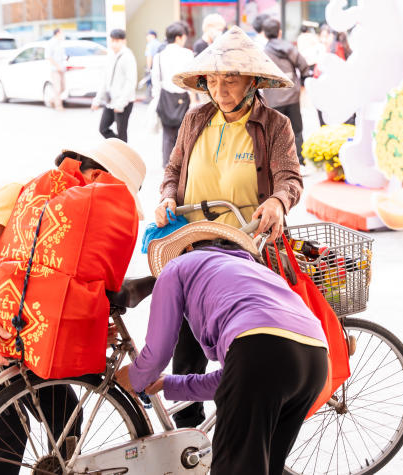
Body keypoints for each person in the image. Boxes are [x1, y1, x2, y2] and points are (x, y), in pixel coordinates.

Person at [0, 138, 146, 473]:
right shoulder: (18, 193)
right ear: (89, 174)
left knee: (66, 421)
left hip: (20, 328)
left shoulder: (76, 218)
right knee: (7, 431)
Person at [153, 26, 304, 429]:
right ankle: (188, 437)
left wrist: (277, 200)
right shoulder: (195, 119)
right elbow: (171, 170)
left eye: (231, 79)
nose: (220, 89)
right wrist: (167, 196)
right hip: (191, 249)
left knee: (240, 348)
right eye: (214, 80)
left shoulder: (274, 126)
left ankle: (240, 425)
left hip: (244, 252)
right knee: (186, 353)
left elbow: (290, 178)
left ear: (253, 81)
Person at [115, 221, 328, 474]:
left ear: (189, 247)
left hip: (259, 348)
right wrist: (167, 384)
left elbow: (159, 351)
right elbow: (239, 381)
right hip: (316, 356)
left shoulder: (178, 267)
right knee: (268, 466)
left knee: (233, 467)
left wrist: (136, 380)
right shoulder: (258, 272)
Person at [262, 18, 310, 171]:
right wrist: (301, 83)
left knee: (275, 133)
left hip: (273, 99)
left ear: (265, 34)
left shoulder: (263, 52)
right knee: (296, 130)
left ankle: (278, 166)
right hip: (292, 96)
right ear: (279, 31)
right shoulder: (289, 47)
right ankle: (300, 164)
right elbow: (303, 66)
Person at [153, 22, 197, 168]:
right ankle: (182, 166)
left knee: (167, 134)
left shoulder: (158, 56)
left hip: (165, 97)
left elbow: (156, 81)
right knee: (184, 134)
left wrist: (156, 100)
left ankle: (167, 165)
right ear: (179, 38)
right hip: (183, 98)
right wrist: (194, 100)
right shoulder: (188, 54)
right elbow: (191, 80)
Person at [92, 29, 137, 142]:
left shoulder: (128, 57)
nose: (114, 44)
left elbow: (130, 82)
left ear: (123, 41)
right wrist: (97, 100)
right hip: (111, 101)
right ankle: (120, 148)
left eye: (117, 41)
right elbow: (105, 81)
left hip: (124, 102)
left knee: (122, 132)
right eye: (112, 41)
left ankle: (123, 155)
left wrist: (121, 103)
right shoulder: (111, 56)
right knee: (103, 128)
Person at [45, 28, 67, 110]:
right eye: (62, 33)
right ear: (57, 33)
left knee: (63, 87)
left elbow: (62, 56)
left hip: (62, 68)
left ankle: (52, 100)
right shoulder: (51, 43)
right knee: (57, 88)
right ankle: (58, 106)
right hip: (55, 69)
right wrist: (57, 66)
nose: (63, 35)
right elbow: (48, 57)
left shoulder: (60, 43)